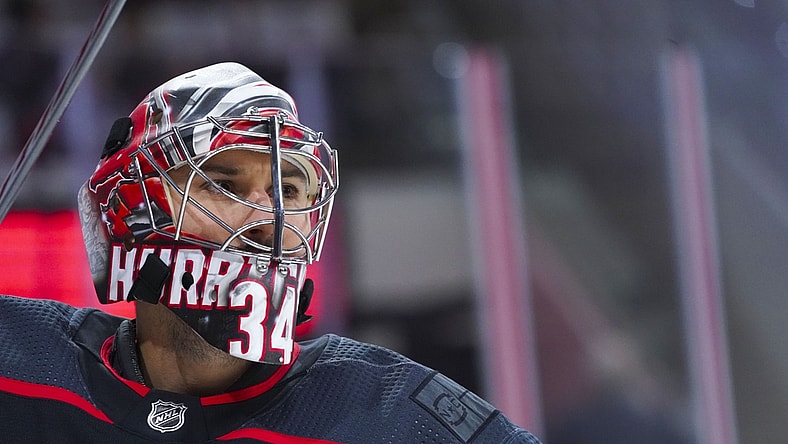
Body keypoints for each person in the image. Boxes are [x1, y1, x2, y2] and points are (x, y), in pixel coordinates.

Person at [0, 62, 541, 443]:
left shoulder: (395, 414)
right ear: (132, 211)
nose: (267, 217)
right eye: (223, 182)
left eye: (289, 189)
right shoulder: (17, 363)